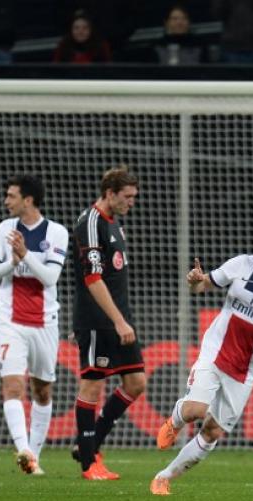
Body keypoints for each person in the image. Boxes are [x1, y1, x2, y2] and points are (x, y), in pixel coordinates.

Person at [150, 222, 253, 495]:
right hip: (216, 351)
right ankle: (175, 421)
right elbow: (202, 286)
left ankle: (164, 477)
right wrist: (195, 281)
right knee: (195, 411)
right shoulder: (242, 264)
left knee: (212, 431)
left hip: (246, 369)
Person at [0, 175, 68, 475]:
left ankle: (35, 455)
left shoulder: (56, 232)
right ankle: (25, 452)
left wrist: (25, 255)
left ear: (28, 200)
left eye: (12, 196)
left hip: (45, 322)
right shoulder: (5, 229)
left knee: (42, 391)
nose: (6, 201)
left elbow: (50, 278)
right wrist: (13, 262)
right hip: (9, 320)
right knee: (12, 386)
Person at [70, 166, 143, 480]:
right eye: (127, 196)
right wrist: (116, 321)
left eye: (134, 196)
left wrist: (122, 320)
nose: (131, 202)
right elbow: (92, 278)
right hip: (98, 319)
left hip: (118, 318)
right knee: (92, 385)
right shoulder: (90, 222)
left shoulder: (115, 223)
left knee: (136, 382)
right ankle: (89, 464)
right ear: (110, 193)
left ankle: (89, 444)